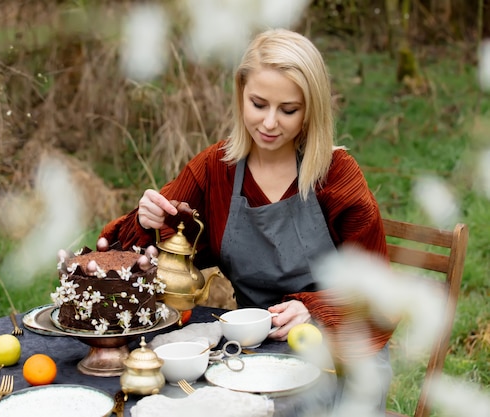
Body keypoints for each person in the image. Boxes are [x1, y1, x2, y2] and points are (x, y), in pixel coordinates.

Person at [99, 28, 395, 413]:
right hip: (247, 350)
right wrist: (147, 218)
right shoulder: (216, 169)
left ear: (311, 111)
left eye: (288, 110)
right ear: (240, 94)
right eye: (259, 104)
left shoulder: (335, 176)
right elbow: (135, 256)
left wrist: (314, 308)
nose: (270, 123)